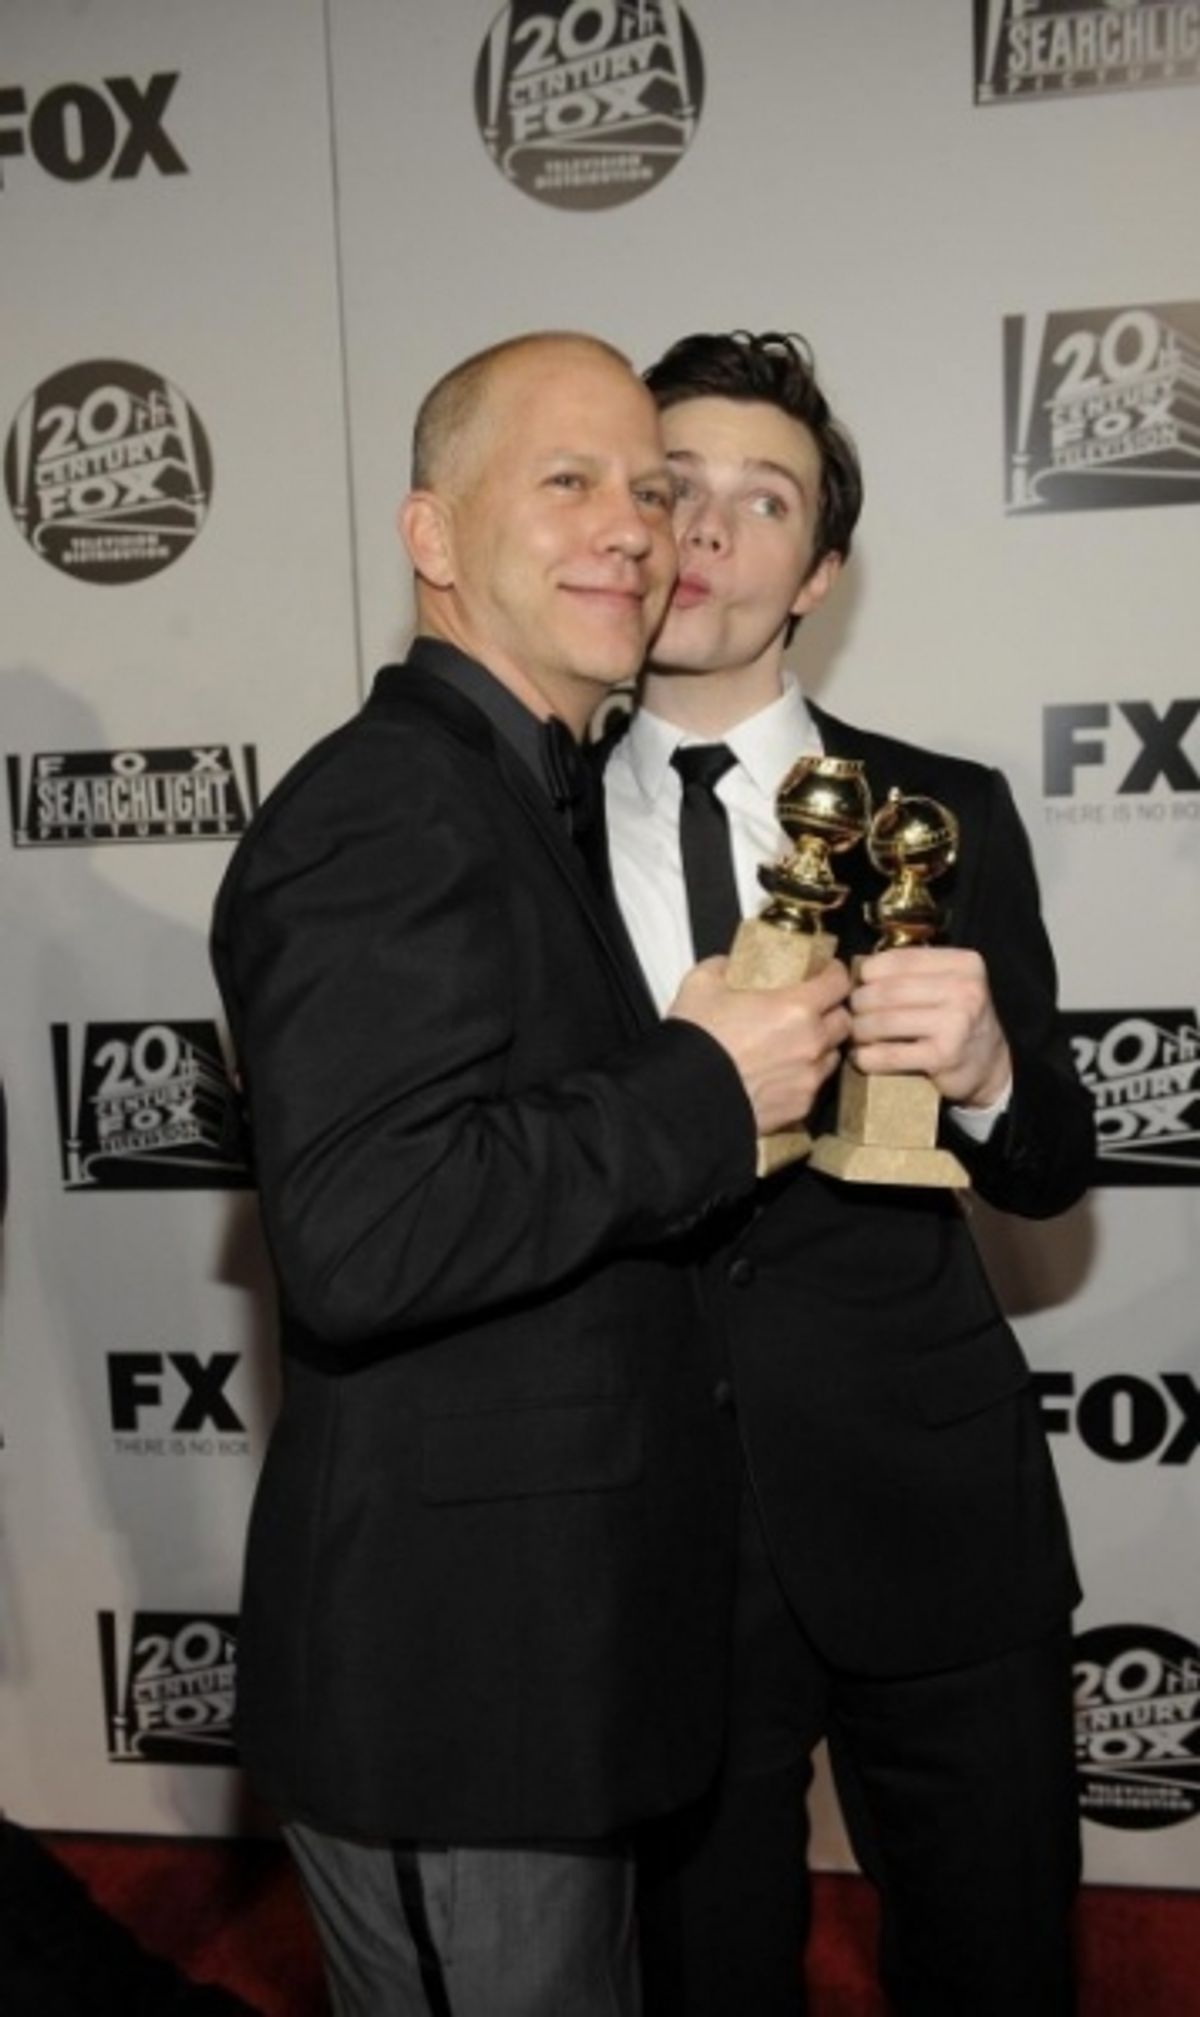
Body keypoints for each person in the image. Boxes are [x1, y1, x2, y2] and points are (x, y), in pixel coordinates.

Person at [210, 331, 852, 2017]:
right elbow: (363, 1230)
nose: (633, 526)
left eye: (649, 490)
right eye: (567, 481)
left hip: (541, 1677)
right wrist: (703, 1087)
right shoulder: (389, 811)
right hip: (456, 1693)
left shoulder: (516, 798)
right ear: (433, 536)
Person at [602, 330, 1094, 2016]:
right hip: (645, 1532)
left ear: (819, 570)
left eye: (765, 502)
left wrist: (989, 1071)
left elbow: (1052, 1166)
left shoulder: (937, 813)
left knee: (998, 1967)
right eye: (674, 490)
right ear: (620, 527)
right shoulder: (503, 826)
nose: (712, 534)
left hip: (930, 1513)